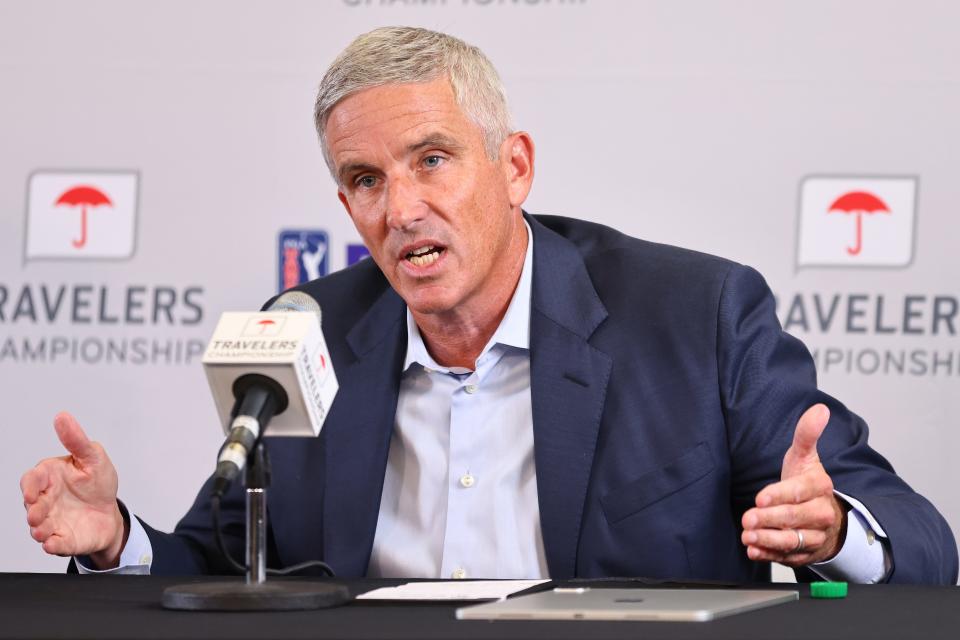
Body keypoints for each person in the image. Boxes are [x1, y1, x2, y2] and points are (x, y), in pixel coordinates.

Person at [21, 27, 957, 584]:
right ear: (345, 206)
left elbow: (919, 543)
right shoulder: (303, 331)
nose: (402, 208)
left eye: (432, 159)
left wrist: (833, 531)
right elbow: (226, 567)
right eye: (364, 179)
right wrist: (114, 543)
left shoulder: (697, 315)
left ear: (513, 167)